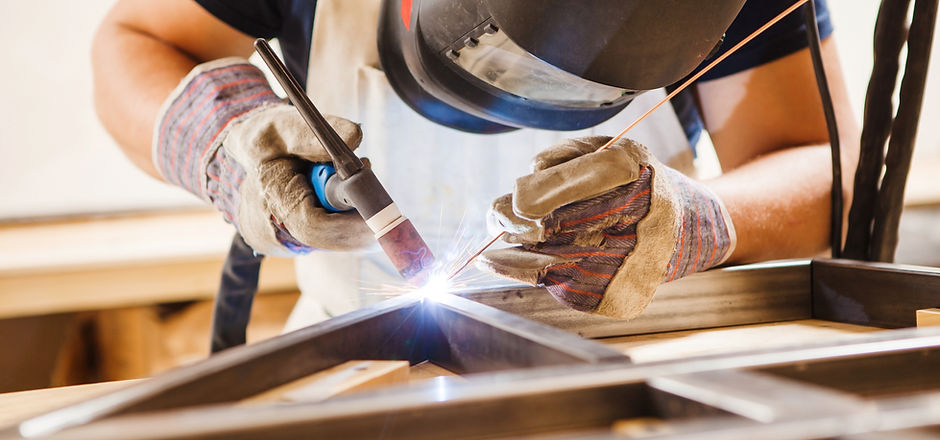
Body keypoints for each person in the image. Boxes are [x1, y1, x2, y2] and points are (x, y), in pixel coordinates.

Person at [92, 0, 859, 327]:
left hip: (635, 368)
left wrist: (694, 222)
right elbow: (133, 41)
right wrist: (225, 146)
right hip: (355, 367)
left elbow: (820, 166)